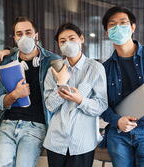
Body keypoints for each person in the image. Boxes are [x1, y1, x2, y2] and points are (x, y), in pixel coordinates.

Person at [100, 6, 144, 167]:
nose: (118, 28)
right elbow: (101, 105)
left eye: (123, 23)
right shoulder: (105, 68)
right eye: (112, 25)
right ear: (107, 32)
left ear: (133, 27)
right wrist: (117, 121)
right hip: (119, 133)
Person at [0, 17, 60, 167]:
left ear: (36, 35)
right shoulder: (7, 61)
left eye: (28, 32)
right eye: (19, 34)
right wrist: (15, 94)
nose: (24, 37)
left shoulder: (52, 61)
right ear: (15, 38)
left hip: (35, 128)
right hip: (7, 125)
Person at [43, 23, 108, 167]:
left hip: (82, 143)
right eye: (63, 41)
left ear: (82, 39)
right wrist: (61, 83)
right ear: (59, 45)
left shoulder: (95, 68)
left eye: (72, 38)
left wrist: (81, 100)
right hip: (56, 142)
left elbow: (101, 105)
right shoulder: (53, 71)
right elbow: (49, 106)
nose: (68, 43)